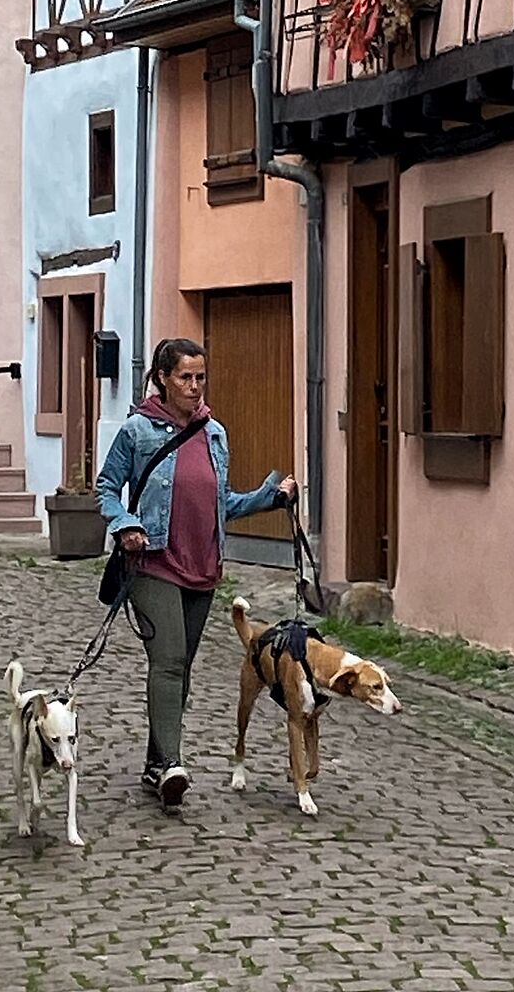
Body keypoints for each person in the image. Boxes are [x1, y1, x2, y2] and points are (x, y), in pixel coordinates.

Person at [96, 335, 294, 810]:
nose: (194, 386)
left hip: (202, 568)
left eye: (200, 377)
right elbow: (106, 488)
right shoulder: (139, 431)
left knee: (180, 669)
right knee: (167, 660)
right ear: (163, 379)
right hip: (153, 562)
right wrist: (125, 525)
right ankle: (171, 765)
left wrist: (272, 496)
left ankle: (153, 762)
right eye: (184, 377)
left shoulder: (214, 433)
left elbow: (220, 503)